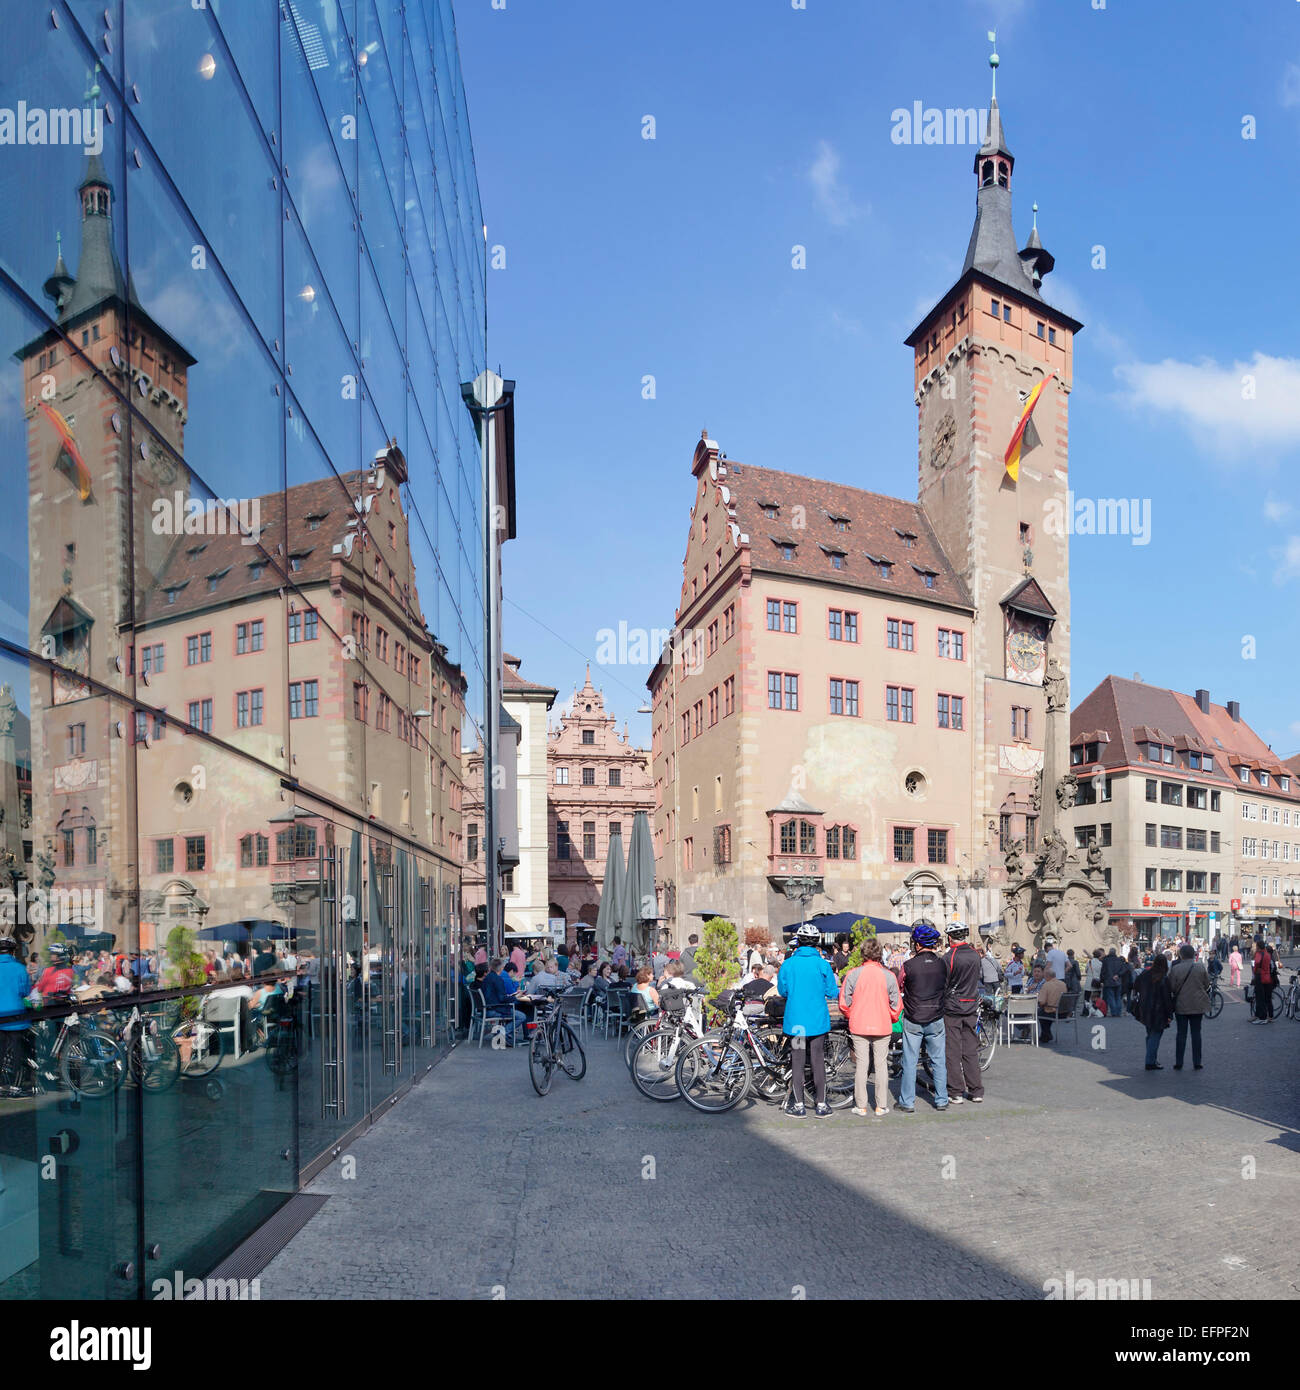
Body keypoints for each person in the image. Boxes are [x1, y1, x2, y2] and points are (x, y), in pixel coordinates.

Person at [775, 922, 841, 1118]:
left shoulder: (788, 964)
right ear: (816, 943)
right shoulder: (823, 964)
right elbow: (832, 991)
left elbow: (782, 990)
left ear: (799, 942)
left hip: (796, 1023)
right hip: (818, 1021)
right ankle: (821, 1104)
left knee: (797, 1061)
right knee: (817, 1060)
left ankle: (799, 1106)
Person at [839, 937, 900, 1117]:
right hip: (882, 1024)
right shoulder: (888, 975)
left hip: (859, 1024)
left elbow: (844, 1002)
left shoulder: (853, 974)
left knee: (862, 1065)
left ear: (863, 953)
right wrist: (890, 1017)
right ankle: (881, 1105)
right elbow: (897, 1004)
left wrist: (852, 1014)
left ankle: (861, 1105)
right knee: (881, 1065)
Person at [897, 922, 949, 1113]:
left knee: (909, 1060)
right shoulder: (942, 964)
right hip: (936, 1016)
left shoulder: (908, 965)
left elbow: (899, 986)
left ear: (917, 945)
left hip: (913, 1017)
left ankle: (907, 1102)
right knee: (938, 1060)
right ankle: (942, 1099)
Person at [941, 922, 984, 1104]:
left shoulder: (949, 957)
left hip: (952, 1008)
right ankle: (976, 1091)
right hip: (971, 1005)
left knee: (952, 1050)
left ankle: (956, 1091)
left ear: (950, 938)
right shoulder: (975, 955)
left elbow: (944, 983)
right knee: (970, 1049)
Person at [1169, 943, 1210, 1070]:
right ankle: (1197, 1061)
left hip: (1181, 1004)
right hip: (1197, 1004)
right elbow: (1206, 984)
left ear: (1181, 955)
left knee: (1181, 1034)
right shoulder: (1201, 967)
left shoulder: (1176, 969)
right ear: (1194, 955)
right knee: (1196, 1033)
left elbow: (1172, 987)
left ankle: (1179, 1061)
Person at [0, 937, 32, 1095]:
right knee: (18, 1051)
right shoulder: (19, 968)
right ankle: (15, 1086)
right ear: (13, 951)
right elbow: (25, 992)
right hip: (16, 1017)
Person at [1134, 951, 1174, 1070]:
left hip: (1145, 1008)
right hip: (1158, 1011)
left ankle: (1151, 1059)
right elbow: (1167, 999)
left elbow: (1136, 986)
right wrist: (1170, 1014)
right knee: (1155, 1035)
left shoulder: (1145, 974)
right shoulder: (1163, 978)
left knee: (1150, 1034)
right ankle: (1150, 1061)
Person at [481, 958, 527, 1045]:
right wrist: (515, 997)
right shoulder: (498, 980)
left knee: (514, 1012)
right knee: (522, 1016)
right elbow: (502, 998)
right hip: (495, 1009)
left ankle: (505, 1035)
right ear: (501, 968)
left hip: (487, 1008)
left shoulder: (487, 978)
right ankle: (502, 1033)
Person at [1250, 937, 1277, 1024]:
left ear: (1258, 947)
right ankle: (1266, 1016)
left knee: (1260, 998)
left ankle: (1262, 1017)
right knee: (1266, 998)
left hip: (1260, 977)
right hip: (1267, 977)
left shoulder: (1259, 954)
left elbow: (1257, 964)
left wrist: (1255, 970)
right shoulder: (1267, 954)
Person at [1036, 968, 1067, 1043]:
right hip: (1064, 1012)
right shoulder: (1063, 984)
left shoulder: (1047, 985)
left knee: (1039, 1012)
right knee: (1044, 1012)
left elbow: (1042, 1002)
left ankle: (1046, 1034)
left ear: (1047, 976)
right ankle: (1046, 1034)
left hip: (1053, 1012)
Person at [1099, 947, 1125, 1018]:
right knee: (1118, 997)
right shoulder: (1119, 960)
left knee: (1111, 997)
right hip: (1118, 981)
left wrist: (1102, 980)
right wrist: (1118, 975)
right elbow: (1123, 970)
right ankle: (1118, 1012)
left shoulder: (1106, 960)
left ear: (1109, 952)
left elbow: (1103, 972)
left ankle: (1114, 1012)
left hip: (1108, 981)